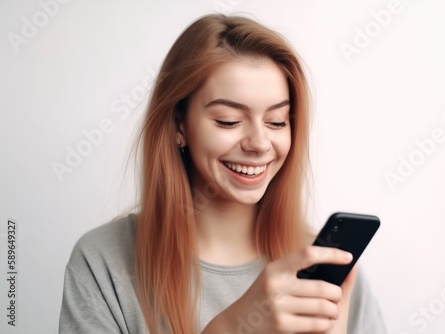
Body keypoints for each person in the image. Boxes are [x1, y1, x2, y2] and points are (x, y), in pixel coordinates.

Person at [59, 13, 387, 334]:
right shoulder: (102, 263)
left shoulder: (327, 268)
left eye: (276, 122)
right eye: (228, 120)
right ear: (179, 125)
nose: (259, 143)